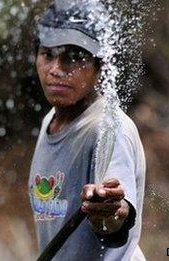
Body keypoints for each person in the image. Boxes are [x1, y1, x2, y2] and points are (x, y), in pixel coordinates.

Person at [28, 1, 146, 260]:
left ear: (101, 65)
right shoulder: (52, 119)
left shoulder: (110, 129)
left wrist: (108, 212)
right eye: (48, 54)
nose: (56, 69)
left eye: (74, 57)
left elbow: (115, 224)